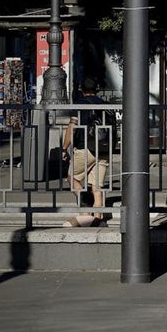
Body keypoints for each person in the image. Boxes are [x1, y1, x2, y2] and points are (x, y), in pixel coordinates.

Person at [62, 77, 112, 227]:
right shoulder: (105, 105)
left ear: (81, 89)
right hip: (104, 149)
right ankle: (98, 219)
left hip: (86, 148)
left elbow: (72, 126)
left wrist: (64, 148)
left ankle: (85, 212)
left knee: (72, 178)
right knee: (97, 188)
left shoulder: (80, 104)